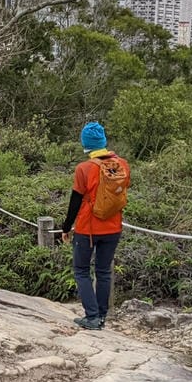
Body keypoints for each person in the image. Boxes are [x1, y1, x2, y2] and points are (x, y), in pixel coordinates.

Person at [62, 121, 130, 331]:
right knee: (103, 272)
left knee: (81, 270)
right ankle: (101, 316)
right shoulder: (122, 164)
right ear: (103, 142)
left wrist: (65, 227)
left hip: (88, 228)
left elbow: (75, 202)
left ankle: (91, 317)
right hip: (113, 227)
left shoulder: (84, 169)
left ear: (86, 144)